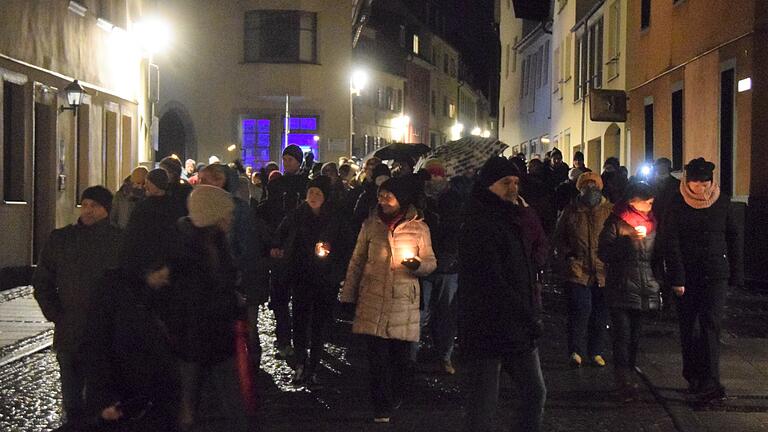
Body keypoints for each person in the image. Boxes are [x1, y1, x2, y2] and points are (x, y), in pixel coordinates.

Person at [459, 156, 546, 432]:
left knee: (535, 391)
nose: (513, 188)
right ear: (488, 185)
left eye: (516, 182)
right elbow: (491, 279)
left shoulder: (511, 216)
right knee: (482, 405)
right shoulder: (480, 222)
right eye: (506, 182)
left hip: (516, 325)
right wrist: (526, 314)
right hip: (490, 325)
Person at [341, 176, 437, 423]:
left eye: (388, 196)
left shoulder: (419, 228)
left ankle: (395, 395)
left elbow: (430, 262)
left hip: (403, 300)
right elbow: (356, 261)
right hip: (372, 297)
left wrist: (417, 265)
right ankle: (381, 406)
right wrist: (348, 295)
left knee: (400, 359)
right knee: (377, 359)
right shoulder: (370, 225)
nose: (382, 200)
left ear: (401, 199)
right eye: (380, 195)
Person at [32, 186, 123, 425]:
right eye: (86, 204)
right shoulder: (61, 238)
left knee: (101, 400)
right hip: (69, 330)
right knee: (72, 399)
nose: (89, 210)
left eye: (96, 205)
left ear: (106, 209)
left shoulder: (119, 240)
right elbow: (43, 281)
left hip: (105, 335)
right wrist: (54, 313)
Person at [168, 185, 248, 432]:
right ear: (213, 215)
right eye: (227, 213)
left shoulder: (218, 242)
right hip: (193, 340)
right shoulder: (186, 248)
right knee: (189, 407)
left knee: (232, 406)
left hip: (217, 337)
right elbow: (188, 297)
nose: (231, 218)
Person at [664, 158, 743, 402]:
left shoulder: (722, 201)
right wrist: (677, 277)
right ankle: (693, 374)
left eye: (704, 181)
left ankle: (711, 380)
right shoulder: (676, 202)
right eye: (695, 181)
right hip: (687, 273)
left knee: (711, 324)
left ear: (711, 181)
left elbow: (733, 235)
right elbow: (671, 241)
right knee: (688, 326)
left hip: (715, 272)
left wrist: (735, 271)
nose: (700, 187)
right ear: (687, 181)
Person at [272, 176, 350, 385]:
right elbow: (281, 234)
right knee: (299, 319)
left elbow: (345, 246)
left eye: (318, 193)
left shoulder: (335, 218)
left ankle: (313, 363)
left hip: (326, 279)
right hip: (301, 276)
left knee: (319, 322)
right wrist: (278, 249)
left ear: (325, 197)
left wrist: (333, 260)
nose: (313, 197)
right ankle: (300, 361)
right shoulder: (297, 215)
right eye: (311, 193)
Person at [598, 182, 662, 402]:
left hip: (644, 287)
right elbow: (604, 252)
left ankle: (631, 374)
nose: (651, 205)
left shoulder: (653, 223)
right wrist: (627, 243)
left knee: (635, 336)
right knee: (622, 336)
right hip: (621, 286)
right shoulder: (616, 221)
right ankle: (623, 381)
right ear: (634, 201)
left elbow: (657, 257)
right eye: (648, 201)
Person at [553, 171, 613, 368]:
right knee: (580, 310)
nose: (591, 189)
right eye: (586, 185)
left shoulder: (609, 210)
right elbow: (559, 238)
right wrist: (567, 255)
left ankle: (596, 351)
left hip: (602, 271)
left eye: (594, 184)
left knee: (600, 313)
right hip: (578, 270)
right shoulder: (571, 211)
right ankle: (575, 350)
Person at [411, 159, 463, 375]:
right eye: (429, 175)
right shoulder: (419, 200)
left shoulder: (455, 199)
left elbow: (458, 228)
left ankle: (444, 356)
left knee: (446, 314)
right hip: (422, 263)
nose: (432, 179)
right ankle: (410, 358)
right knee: (419, 313)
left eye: (435, 175)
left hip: (447, 264)